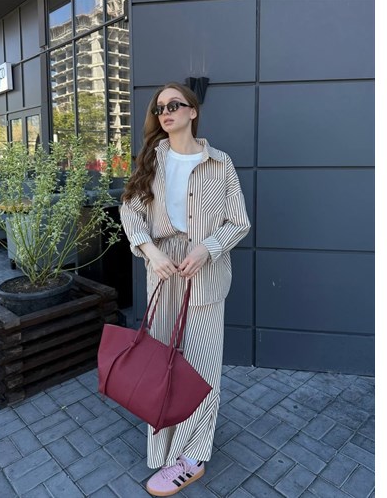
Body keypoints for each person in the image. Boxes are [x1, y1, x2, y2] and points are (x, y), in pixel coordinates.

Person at [120, 81, 251, 496]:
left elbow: (238, 221)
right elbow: (130, 211)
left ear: (193, 111)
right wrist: (148, 250)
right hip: (162, 272)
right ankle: (164, 449)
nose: (166, 112)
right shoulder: (151, 160)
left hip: (205, 275)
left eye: (174, 105)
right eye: (160, 107)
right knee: (161, 361)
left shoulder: (220, 163)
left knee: (201, 366)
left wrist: (207, 248)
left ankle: (191, 458)